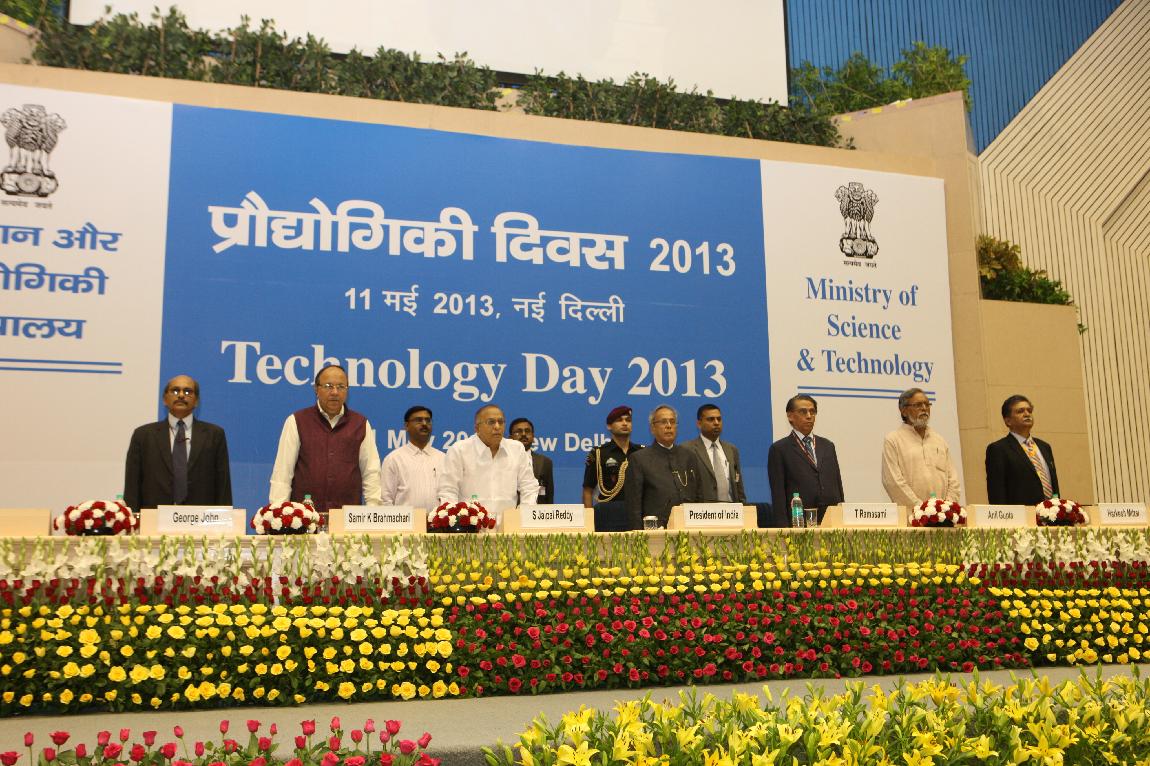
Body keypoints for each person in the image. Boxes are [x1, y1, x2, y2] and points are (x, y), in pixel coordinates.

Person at [269, 364, 382, 515]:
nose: (335, 392)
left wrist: (373, 512)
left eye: (341, 387)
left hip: (347, 519)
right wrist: (279, 513)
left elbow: (371, 472)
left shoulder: (360, 424)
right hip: (304, 518)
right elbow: (283, 473)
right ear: (316, 389)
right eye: (328, 386)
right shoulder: (297, 421)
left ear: (347, 390)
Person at [123, 374, 232, 512]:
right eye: (175, 391)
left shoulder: (214, 435)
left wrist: (224, 520)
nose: (181, 395)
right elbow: (132, 486)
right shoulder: (143, 435)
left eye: (187, 391)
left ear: (196, 401)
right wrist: (133, 519)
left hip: (200, 519)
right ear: (164, 399)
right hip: (154, 518)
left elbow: (223, 486)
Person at [625, 404, 713, 529]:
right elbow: (634, 506)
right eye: (663, 422)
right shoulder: (639, 459)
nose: (669, 426)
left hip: (689, 528)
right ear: (652, 428)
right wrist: (639, 536)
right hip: (655, 531)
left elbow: (699, 496)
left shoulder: (689, 456)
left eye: (672, 422)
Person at [438, 404, 539, 508]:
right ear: (477, 428)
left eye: (501, 422)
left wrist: (523, 514)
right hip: (470, 518)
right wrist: (455, 516)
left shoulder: (516, 449)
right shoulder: (459, 450)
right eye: (491, 422)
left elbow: (529, 487)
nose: (497, 427)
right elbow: (448, 490)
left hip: (508, 518)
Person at [766, 394, 844, 525]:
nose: (809, 416)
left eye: (812, 412)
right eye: (803, 411)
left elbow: (838, 485)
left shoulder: (828, 446)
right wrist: (783, 529)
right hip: (799, 521)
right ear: (790, 416)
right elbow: (778, 494)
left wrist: (841, 517)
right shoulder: (779, 449)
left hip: (831, 520)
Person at [881, 387, 961, 508]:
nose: (924, 408)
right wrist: (921, 509)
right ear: (903, 411)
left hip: (943, 514)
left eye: (927, 404)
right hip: (911, 515)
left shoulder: (939, 440)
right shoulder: (893, 440)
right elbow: (893, 482)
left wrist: (946, 507)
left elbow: (953, 480)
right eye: (918, 405)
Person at [985, 394, 1059, 505]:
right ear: (1008, 421)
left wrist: (1057, 507)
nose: (1027, 414)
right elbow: (997, 493)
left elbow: (1054, 486)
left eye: (1029, 410)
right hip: (1020, 514)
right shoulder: (998, 449)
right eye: (1020, 411)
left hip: (1050, 513)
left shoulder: (1044, 447)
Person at [582, 405, 644, 531]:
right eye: (619, 420)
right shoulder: (599, 453)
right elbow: (588, 490)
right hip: (608, 515)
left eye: (628, 420)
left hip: (638, 513)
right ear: (609, 426)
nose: (625, 423)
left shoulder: (642, 452)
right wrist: (589, 522)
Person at [380, 405, 445, 510]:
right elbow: (385, 499)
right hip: (405, 520)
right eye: (418, 420)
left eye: (428, 420)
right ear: (406, 426)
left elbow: (449, 493)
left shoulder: (443, 458)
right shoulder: (394, 459)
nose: (424, 424)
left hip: (437, 520)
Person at [684, 403, 747, 504]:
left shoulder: (731, 449)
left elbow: (738, 484)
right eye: (711, 419)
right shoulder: (687, 450)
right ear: (699, 424)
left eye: (719, 419)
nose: (716, 423)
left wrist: (743, 505)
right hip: (702, 511)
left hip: (732, 510)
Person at [509, 417, 554, 503]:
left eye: (527, 431)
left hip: (536, 510)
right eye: (518, 431)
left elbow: (549, 497)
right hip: (509, 510)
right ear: (510, 438)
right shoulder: (503, 460)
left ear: (533, 436)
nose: (523, 434)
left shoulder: (545, 462)